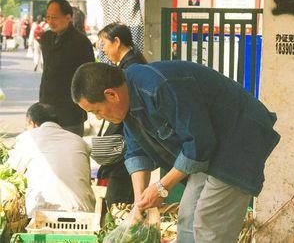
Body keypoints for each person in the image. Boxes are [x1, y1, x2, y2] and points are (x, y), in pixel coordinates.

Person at [71, 61, 281, 243]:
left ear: (111, 95)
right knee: (188, 217)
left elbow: (198, 145)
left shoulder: (157, 87)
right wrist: (139, 204)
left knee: (208, 223)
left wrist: (162, 187)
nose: (98, 118)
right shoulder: (128, 98)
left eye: (96, 111)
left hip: (237, 141)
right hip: (209, 148)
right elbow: (136, 152)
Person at [6, 102, 95, 217]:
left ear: (32, 124)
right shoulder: (79, 141)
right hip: (85, 214)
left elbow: (11, 171)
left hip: (42, 215)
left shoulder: (28, 138)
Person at [94, 22, 147, 207]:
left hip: (125, 144)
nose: (103, 49)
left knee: (118, 200)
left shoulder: (129, 69)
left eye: (104, 44)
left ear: (117, 42)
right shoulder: (131, 63)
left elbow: (123, 110)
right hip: (128, 143)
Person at [40, 0, 95, 136]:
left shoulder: (81, 42)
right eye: (48, 17)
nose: (50, 21)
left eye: (55, 17)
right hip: (47, 106)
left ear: (68, 17)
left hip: (71, 110)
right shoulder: (45, 38)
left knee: (70, 151)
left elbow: (88, 76)